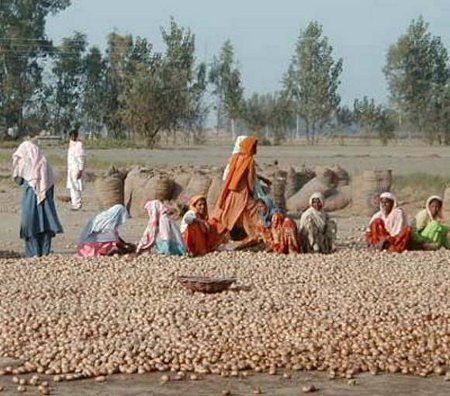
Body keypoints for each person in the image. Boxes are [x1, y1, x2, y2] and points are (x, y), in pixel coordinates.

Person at [12, 139, 63, 257]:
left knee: (30, 225)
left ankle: (32, 255)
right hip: (46, 202)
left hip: (30, 200)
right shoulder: (43, 162)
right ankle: (44, 254)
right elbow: (51, 184)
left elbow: (18, 179)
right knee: (46, 225)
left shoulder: (23, 162)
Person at [214, 136, 261, 241]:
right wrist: (252, 192)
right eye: (254, 146)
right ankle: (257, 235)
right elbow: (250, 179)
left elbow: (229, 175)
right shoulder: (249, 160)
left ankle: (217, 237)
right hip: (243, 192)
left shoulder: (235, 158)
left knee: (228, 214)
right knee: (252, 213)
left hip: (231, 191)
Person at [66, 129, 86, 210]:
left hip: (76, 169)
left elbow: (81, 158)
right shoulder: (71, 144)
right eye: (71, 136)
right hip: (71, 168)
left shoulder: (79, 145)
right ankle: (75, 203)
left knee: (76, 186)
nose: (73, 137)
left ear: (76, 136)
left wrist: (80, 170)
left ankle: (77, 204)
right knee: (72, 187)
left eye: (74, 136)